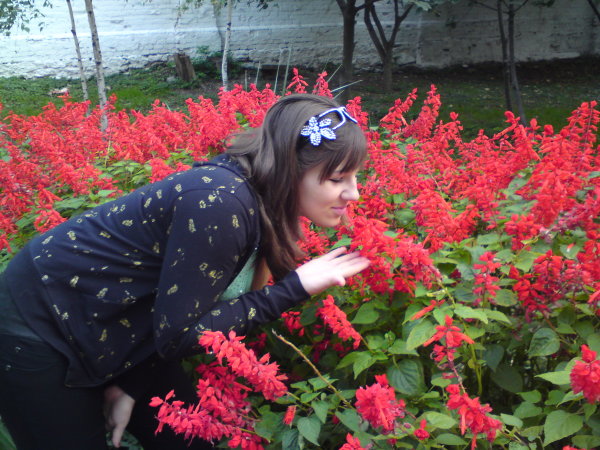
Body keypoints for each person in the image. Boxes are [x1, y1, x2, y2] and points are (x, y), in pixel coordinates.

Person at [0, 93, 370, 449]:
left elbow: (177, 311)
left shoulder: (259, 197)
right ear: (290, 168)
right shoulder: (221, 203)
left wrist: (131, 384)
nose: (353, 193)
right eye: (337, 179)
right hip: (39, 320)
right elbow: (179, 335)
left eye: (355, 176)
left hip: (117, 321)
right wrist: (294, 289)